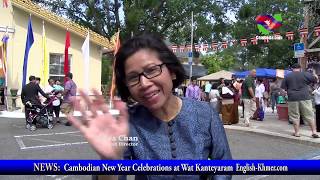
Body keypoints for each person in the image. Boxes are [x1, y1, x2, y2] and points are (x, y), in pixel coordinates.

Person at [67, 34, 232, 180]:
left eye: (152, 70)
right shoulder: (127, 124)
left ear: (172, 71)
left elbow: (224, 167)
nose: (144, 83)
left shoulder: (205, 114)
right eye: (133, 78)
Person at [281, 63, 319, 138]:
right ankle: (314, 132)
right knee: (309, 115)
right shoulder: (305, 74)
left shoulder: (287, 76)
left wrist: (285, 97)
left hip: (292, 98)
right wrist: (314, 74)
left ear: (292, 69)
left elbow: (282, 90)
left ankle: (297, 133)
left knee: (295, 116)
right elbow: (316, 80)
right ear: (300, 68)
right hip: (305, 97)